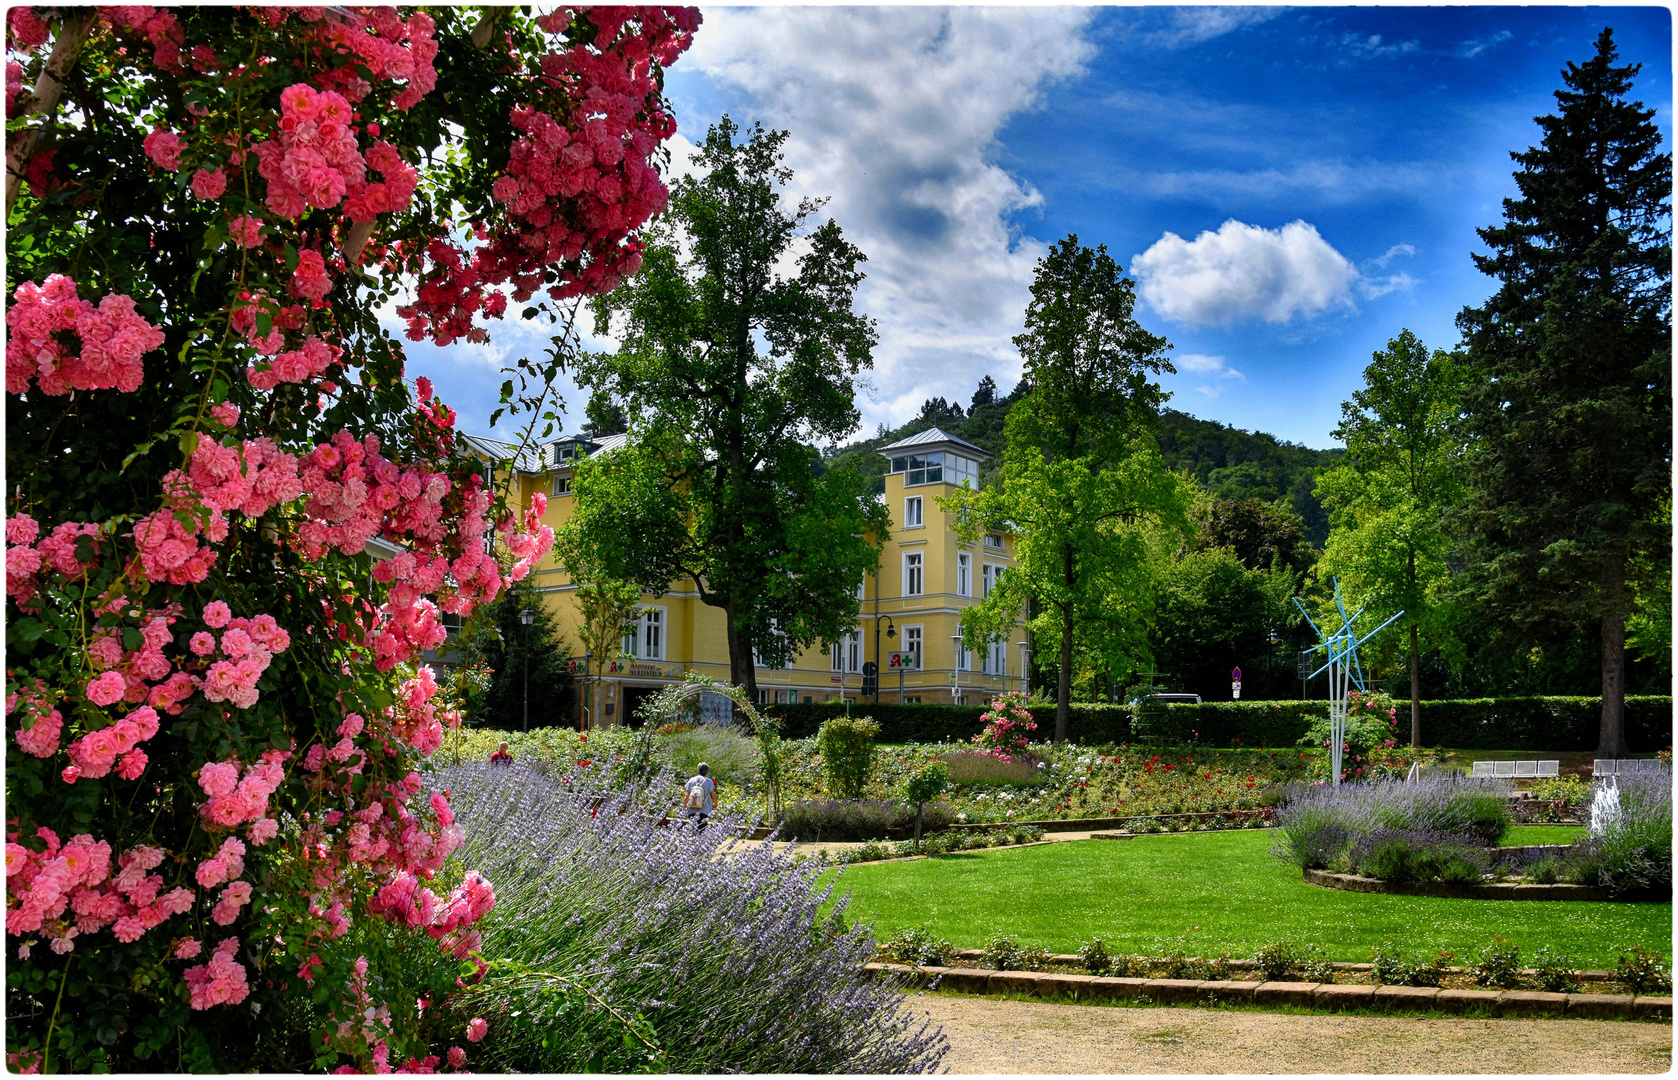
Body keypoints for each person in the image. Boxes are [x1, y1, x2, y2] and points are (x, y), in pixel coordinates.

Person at [682, 762, 715, 830]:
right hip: (704, 809)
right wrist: (716, 804)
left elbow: (687, 795)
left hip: (692, 808)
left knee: (692, 829)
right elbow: (713, 795)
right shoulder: (709, 781)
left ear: (698, 770)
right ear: (707, 771)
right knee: (702, 830)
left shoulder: (691, 780)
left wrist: (684, 806)